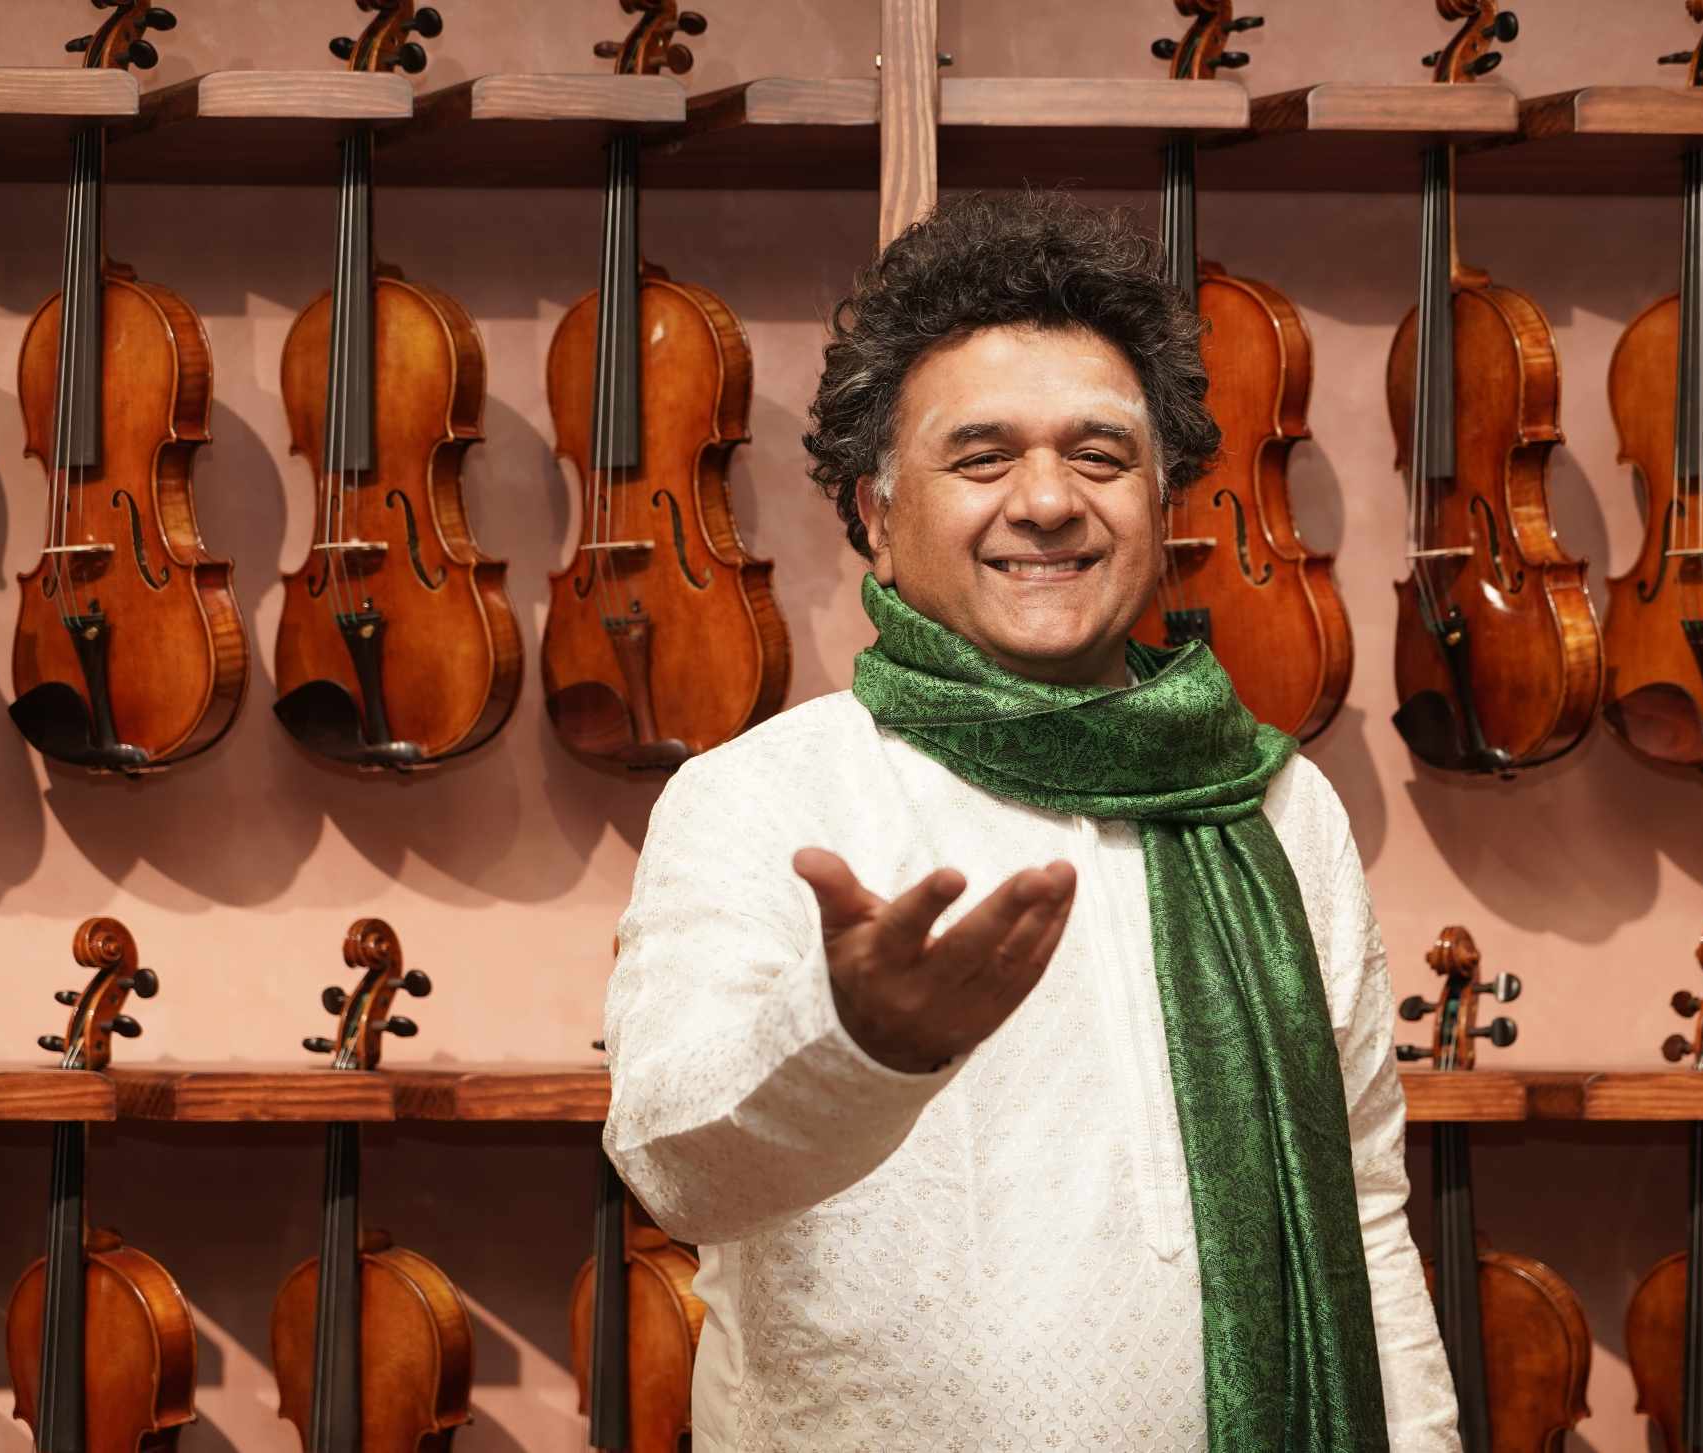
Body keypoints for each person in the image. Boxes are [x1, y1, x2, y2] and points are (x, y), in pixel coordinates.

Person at [604, 190, 1460, 1452]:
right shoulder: (763, 796)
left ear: (1161, 502)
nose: (1048, 500)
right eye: (981, 457)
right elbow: (675, 1167)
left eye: (1098, 455)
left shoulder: (1276, 801)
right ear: (876, 517)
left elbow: (1366, 1206)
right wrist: (852, 1042)